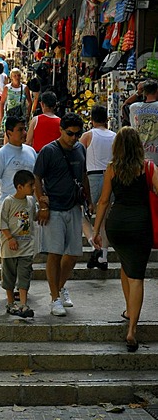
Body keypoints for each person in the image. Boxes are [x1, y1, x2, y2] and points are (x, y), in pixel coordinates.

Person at [92, 127, 158, 352]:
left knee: (125, 264)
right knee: (136, 276)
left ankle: (129, 310)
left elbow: (103, 201)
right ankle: (132, 329)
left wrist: (96, 231)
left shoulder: (112, 169)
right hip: (140, 224)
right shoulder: (148, 167)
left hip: (117, 225)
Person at [34, 113, 91, 317]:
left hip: (74, 206)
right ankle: (54, 297)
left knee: (74, 253)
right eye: (69, 133)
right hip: (54, 208)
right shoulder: (48, 151)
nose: (73, 138)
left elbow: (83, 175)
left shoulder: (80, 149)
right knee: (55, 253)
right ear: (61, 130)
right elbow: (37, 177)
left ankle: (59, 287)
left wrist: (89, 200)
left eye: (77, 134)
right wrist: (42, 204)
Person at [80, 105, 116, 271]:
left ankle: (95, 246)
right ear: (106, 119)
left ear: (92, 119)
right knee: (104, 217)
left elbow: (78, 155)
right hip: (111, 176)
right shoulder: (115, 136)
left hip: (93, 176)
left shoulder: (88, 135)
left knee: (84, 214)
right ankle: (103, 255)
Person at [0, 169, 36, 318]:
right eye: (30, 185)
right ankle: (10, 302)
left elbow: (34, 218)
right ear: (19, 187)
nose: (33, 188)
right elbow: (2, 223)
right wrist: (10, 238)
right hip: (9, 248)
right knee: (9, 276)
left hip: (26, 247)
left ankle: (23, 304)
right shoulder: (8, 202)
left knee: (24, 274)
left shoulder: (31, 202)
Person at [0, 116, 37, 226]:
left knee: (27, 241)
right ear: (9, 133)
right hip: (9, 207)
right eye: (20, 130)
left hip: (29, 206)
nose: (24, 132)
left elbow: (37, 179)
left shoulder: (31, 152)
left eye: (25, 129)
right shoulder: (1, 155)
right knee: (9, 241)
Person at [130, 79, 158, 165]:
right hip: (156, 157)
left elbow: (124, 104)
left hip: (139, 157)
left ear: (144, 93)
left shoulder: (134, 107)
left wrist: (138, 92)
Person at [0, 68, 32, 139]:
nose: (17, 77)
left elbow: (29, 102)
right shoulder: (7, 88)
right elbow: (2, 102)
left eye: (18, 75)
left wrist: (28, 115)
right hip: (9, 115)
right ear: (11, 77)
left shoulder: (25, 88)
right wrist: (1, 116)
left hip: (21, 116)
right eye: (15, 76)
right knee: (8, 135)